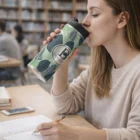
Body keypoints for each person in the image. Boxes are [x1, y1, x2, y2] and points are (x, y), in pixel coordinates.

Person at [36, 0, 140, 139]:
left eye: (95, 14)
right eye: (87, 12)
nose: (85, 21)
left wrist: (74, 134)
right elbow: (65, 106)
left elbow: (136, 135)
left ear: (121, 19)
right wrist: (61, 64)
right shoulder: (98, 68)